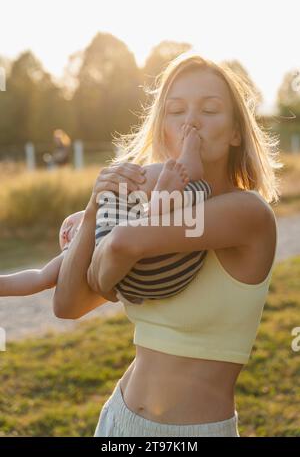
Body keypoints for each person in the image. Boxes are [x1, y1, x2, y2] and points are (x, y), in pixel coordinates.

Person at [53, 51, 281, 437]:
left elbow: (123, 244)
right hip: (116, 421)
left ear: (236, 132)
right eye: (176, 111)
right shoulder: (152, 211)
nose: (191, 121)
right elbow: (68, 304)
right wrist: (92, 210)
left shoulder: (247, 214)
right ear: (163, 128)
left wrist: (103, 259)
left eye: (210, 110)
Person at [0, 128, 211, 300]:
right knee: (134, 191)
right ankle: (182, 172)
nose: (67, 234)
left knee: (155, 208)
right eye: (67, 240)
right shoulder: (78, 249)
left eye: (68, 225)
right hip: (141, 269)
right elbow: (39, 278)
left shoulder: (108, 217)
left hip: (153, 282)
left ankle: (166, 196)